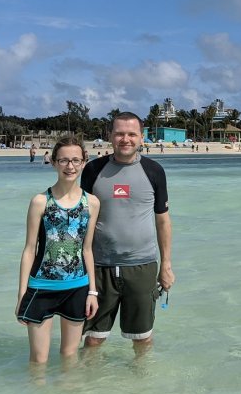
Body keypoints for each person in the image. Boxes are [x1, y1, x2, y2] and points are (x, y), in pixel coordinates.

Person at [81, 111, 173, 356]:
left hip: (142, 266)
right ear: (110, 136)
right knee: (93, 340)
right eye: (119, 133)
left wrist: (166, 266)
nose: (125, 139)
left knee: (142, 340)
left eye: (132, 134)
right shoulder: (93, 170)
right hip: (100, 268)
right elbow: (80, 219)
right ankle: (85, 389)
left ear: (142, 137)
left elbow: (162, 221)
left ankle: (142, 389)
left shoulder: (154, 171)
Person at [16, 135, 101, 364]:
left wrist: (92, 292)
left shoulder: (91, 203)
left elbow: (87, 250)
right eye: (63, 160)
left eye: (75, 160)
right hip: (41, 287)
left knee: (69, 356)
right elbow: (29, 250)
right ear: (53, 162)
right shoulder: (40, 202)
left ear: (84, 162)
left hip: (77, 288)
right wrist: (22, 293)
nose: (70, 166)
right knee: (38, 360)